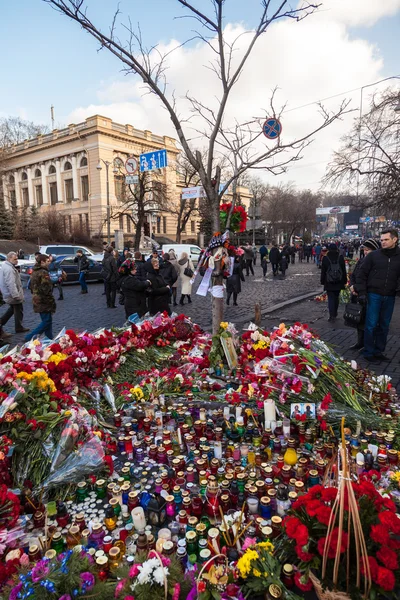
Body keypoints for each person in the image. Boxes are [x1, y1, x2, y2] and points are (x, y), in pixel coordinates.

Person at [355, 229, 400, 362]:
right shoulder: (373, 256)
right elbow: (361, 274)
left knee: (384, 325)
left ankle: (379, 350)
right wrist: (362, 293)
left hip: (390, 296)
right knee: (371, 324)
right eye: (381, 240)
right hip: (373, 294)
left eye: (386, 239)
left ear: (395, 239)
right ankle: (368, 352)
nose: (383, 242)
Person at [348, 239, 380, 351]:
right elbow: (353, 276)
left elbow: (370, 281)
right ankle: (360, 342)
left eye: (368, 250)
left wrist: (358, 288)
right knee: (359, 320)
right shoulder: (361, 261)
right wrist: (352, 286)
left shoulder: (377, 263)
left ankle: (369, 345)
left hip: (369, 295)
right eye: (365, 250)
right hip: (357, 295)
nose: (366, 252)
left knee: (369, 322)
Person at [25, 254, 56, 341]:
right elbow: (46, 288)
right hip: (44, 300)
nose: (49, 263)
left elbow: (31, 286)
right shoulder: (43, 272)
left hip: (37, 298)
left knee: (47, 321)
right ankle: (30, 337)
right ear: (42, 262)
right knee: (46, 322)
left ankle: (49, 339)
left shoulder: (34, 271)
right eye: (47, 261)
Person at [0, 252, 29, 338]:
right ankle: (17, 326)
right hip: (11, 294)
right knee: (17, 309)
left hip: (9, 293)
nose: (17, 261)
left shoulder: (7, 266)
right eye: (15, 259)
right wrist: (16, 295)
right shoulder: (9, 269)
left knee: (13, 309)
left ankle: (16, 326)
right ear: (9, 259)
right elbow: (11, 284)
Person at [320, 243, 347, 322]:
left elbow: (323, 271)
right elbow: (343, 270)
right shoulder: (340, 257)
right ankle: (335, 313)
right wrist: (344, 280)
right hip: (339, 281)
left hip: (329, 282)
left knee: (331, 298)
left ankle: (332, 315)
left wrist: (322, 281)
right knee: (336, 297)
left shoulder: (325, 258)